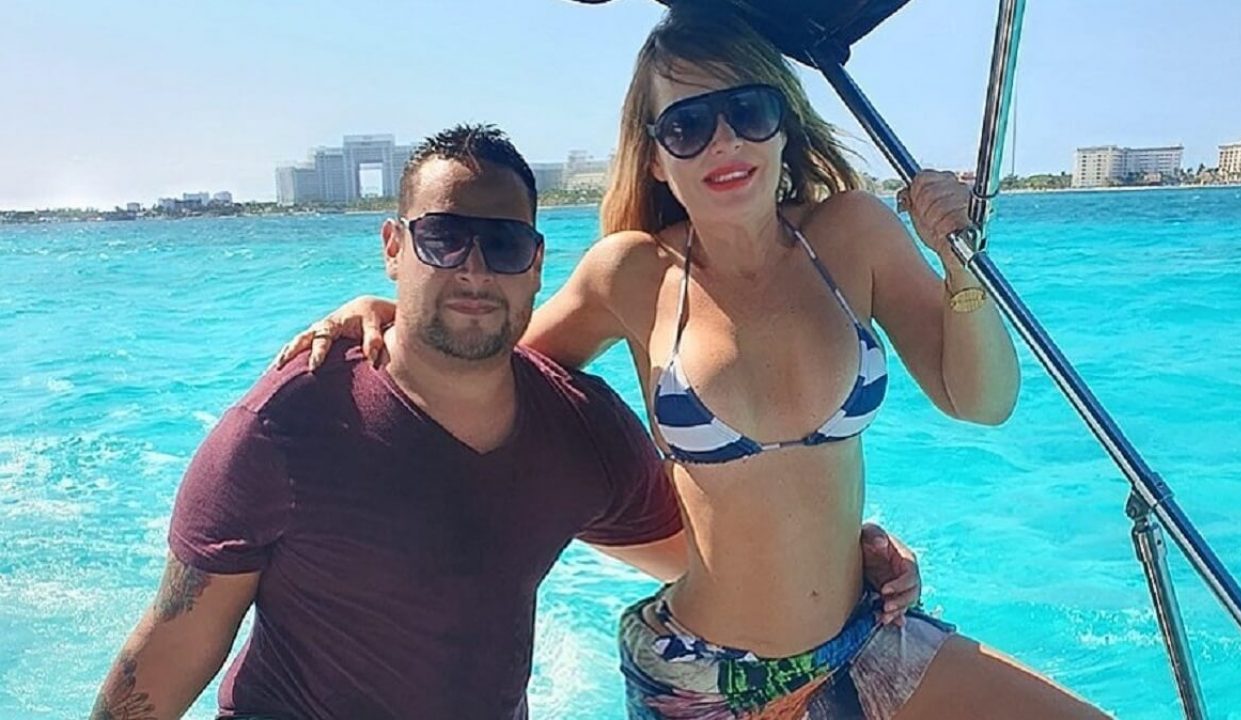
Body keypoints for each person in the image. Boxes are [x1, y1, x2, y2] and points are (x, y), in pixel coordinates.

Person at [279, 8, 1112, 719]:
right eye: (687, 125)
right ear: (655, 156)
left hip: (868, 635)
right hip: (705, 681)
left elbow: (981, 400)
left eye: (747, 110)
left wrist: (959, 263)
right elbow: (490, 379)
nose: (724, 142)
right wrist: (395, 316)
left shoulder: (854, 235)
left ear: (784, 123)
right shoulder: (631, 274)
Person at [90, 124, 921, 720]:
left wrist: (850, 558)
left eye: (504, 245)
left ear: (537, 265)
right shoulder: (285, 426)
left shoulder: (575, 427)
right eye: (444, 239)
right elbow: (170, 652)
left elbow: (707, 556)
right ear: (393, 248)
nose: (475, 268)